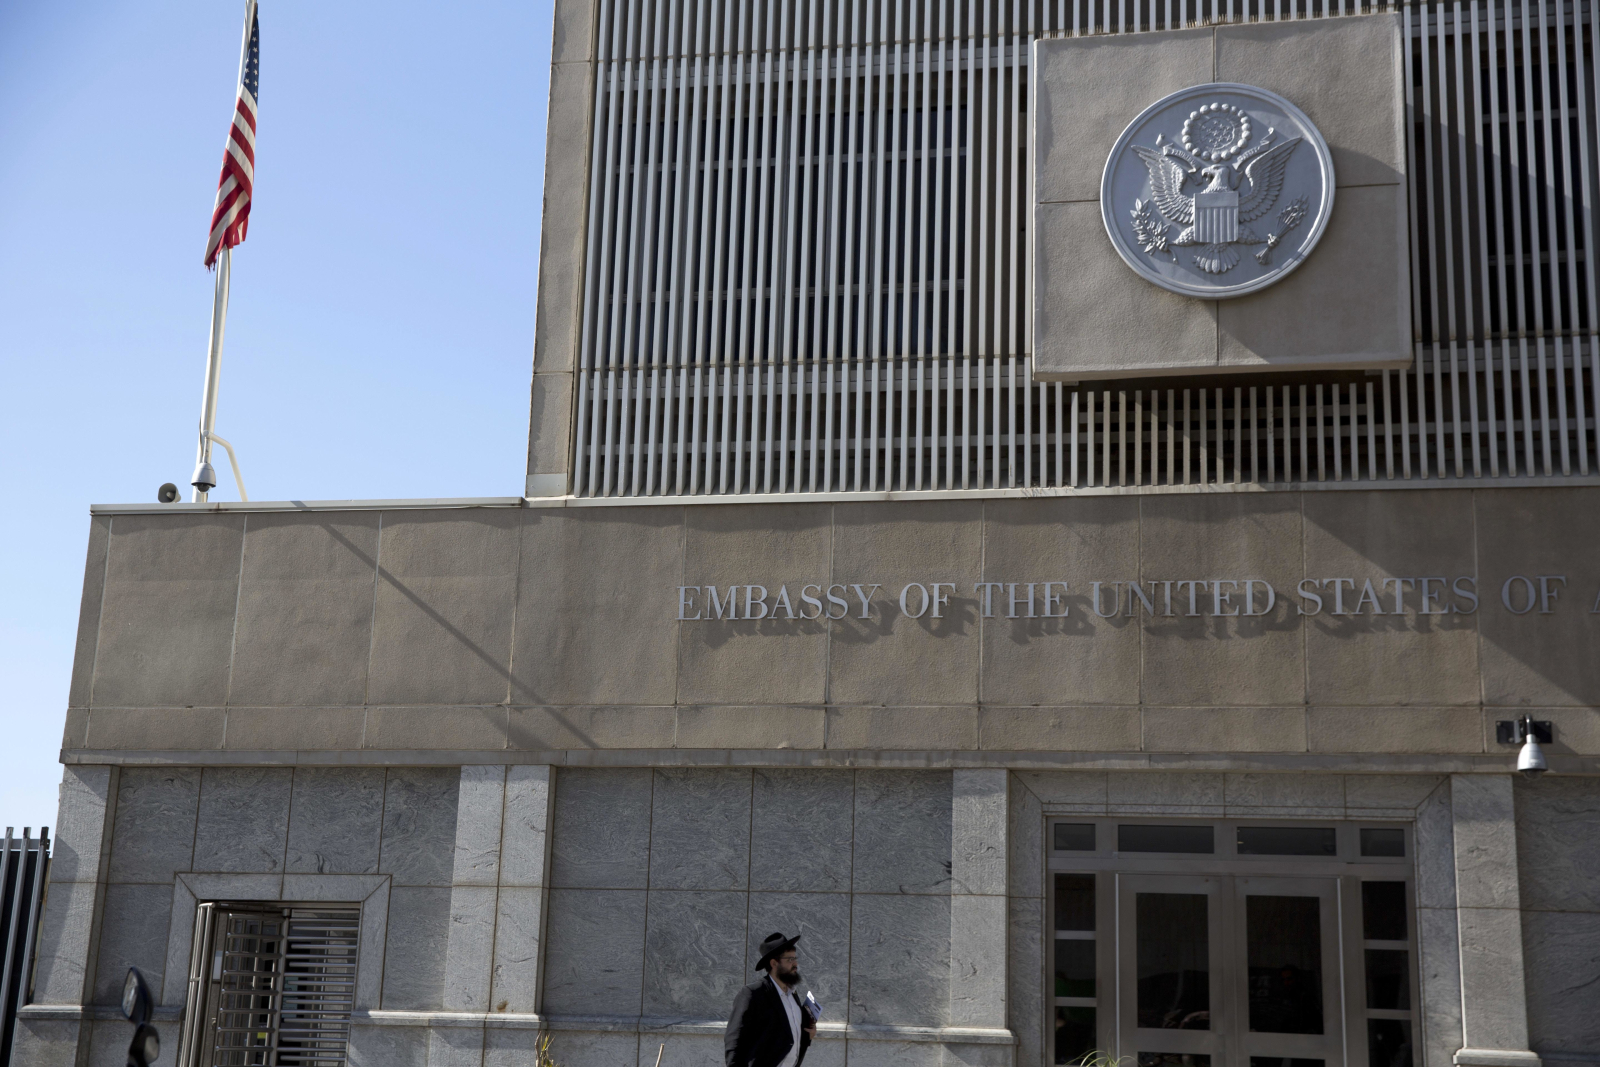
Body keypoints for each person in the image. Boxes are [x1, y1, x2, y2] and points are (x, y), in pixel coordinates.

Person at [724, 932, 817, 1067]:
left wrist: (808, 1035)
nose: (795, 964)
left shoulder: (793, 995)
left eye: (795, 958)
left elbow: (789, 1039)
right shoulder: (753, 993)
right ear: (774, 963)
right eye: (790, 959)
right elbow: (734, 1042)